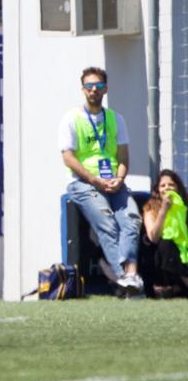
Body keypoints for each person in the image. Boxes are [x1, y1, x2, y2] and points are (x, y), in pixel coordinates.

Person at [58, 66, 143, 296]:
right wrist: (94, 179)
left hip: (114, 183)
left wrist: (119, 178)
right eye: (89, 86)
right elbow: (68, 157)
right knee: (106, 222)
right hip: (83, 183)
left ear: (105, 89)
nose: (93, 90)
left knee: (132, 219)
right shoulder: (72, 118)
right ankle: (127, 276)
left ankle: (129, 276)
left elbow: (123, 158)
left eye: (98, 86)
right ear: (83, 89)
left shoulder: (116, 119)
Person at [141, 169, 188, 297]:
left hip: (183, 254)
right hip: (160, 259)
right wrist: (164, 210)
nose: (167, 188)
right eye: (163, 185)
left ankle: (178, 287)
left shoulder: (184, 207)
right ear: (158, 190)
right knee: (167, 243)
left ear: (177, 188)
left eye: (171, 185)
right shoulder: (150, 208)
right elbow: (154, 237)